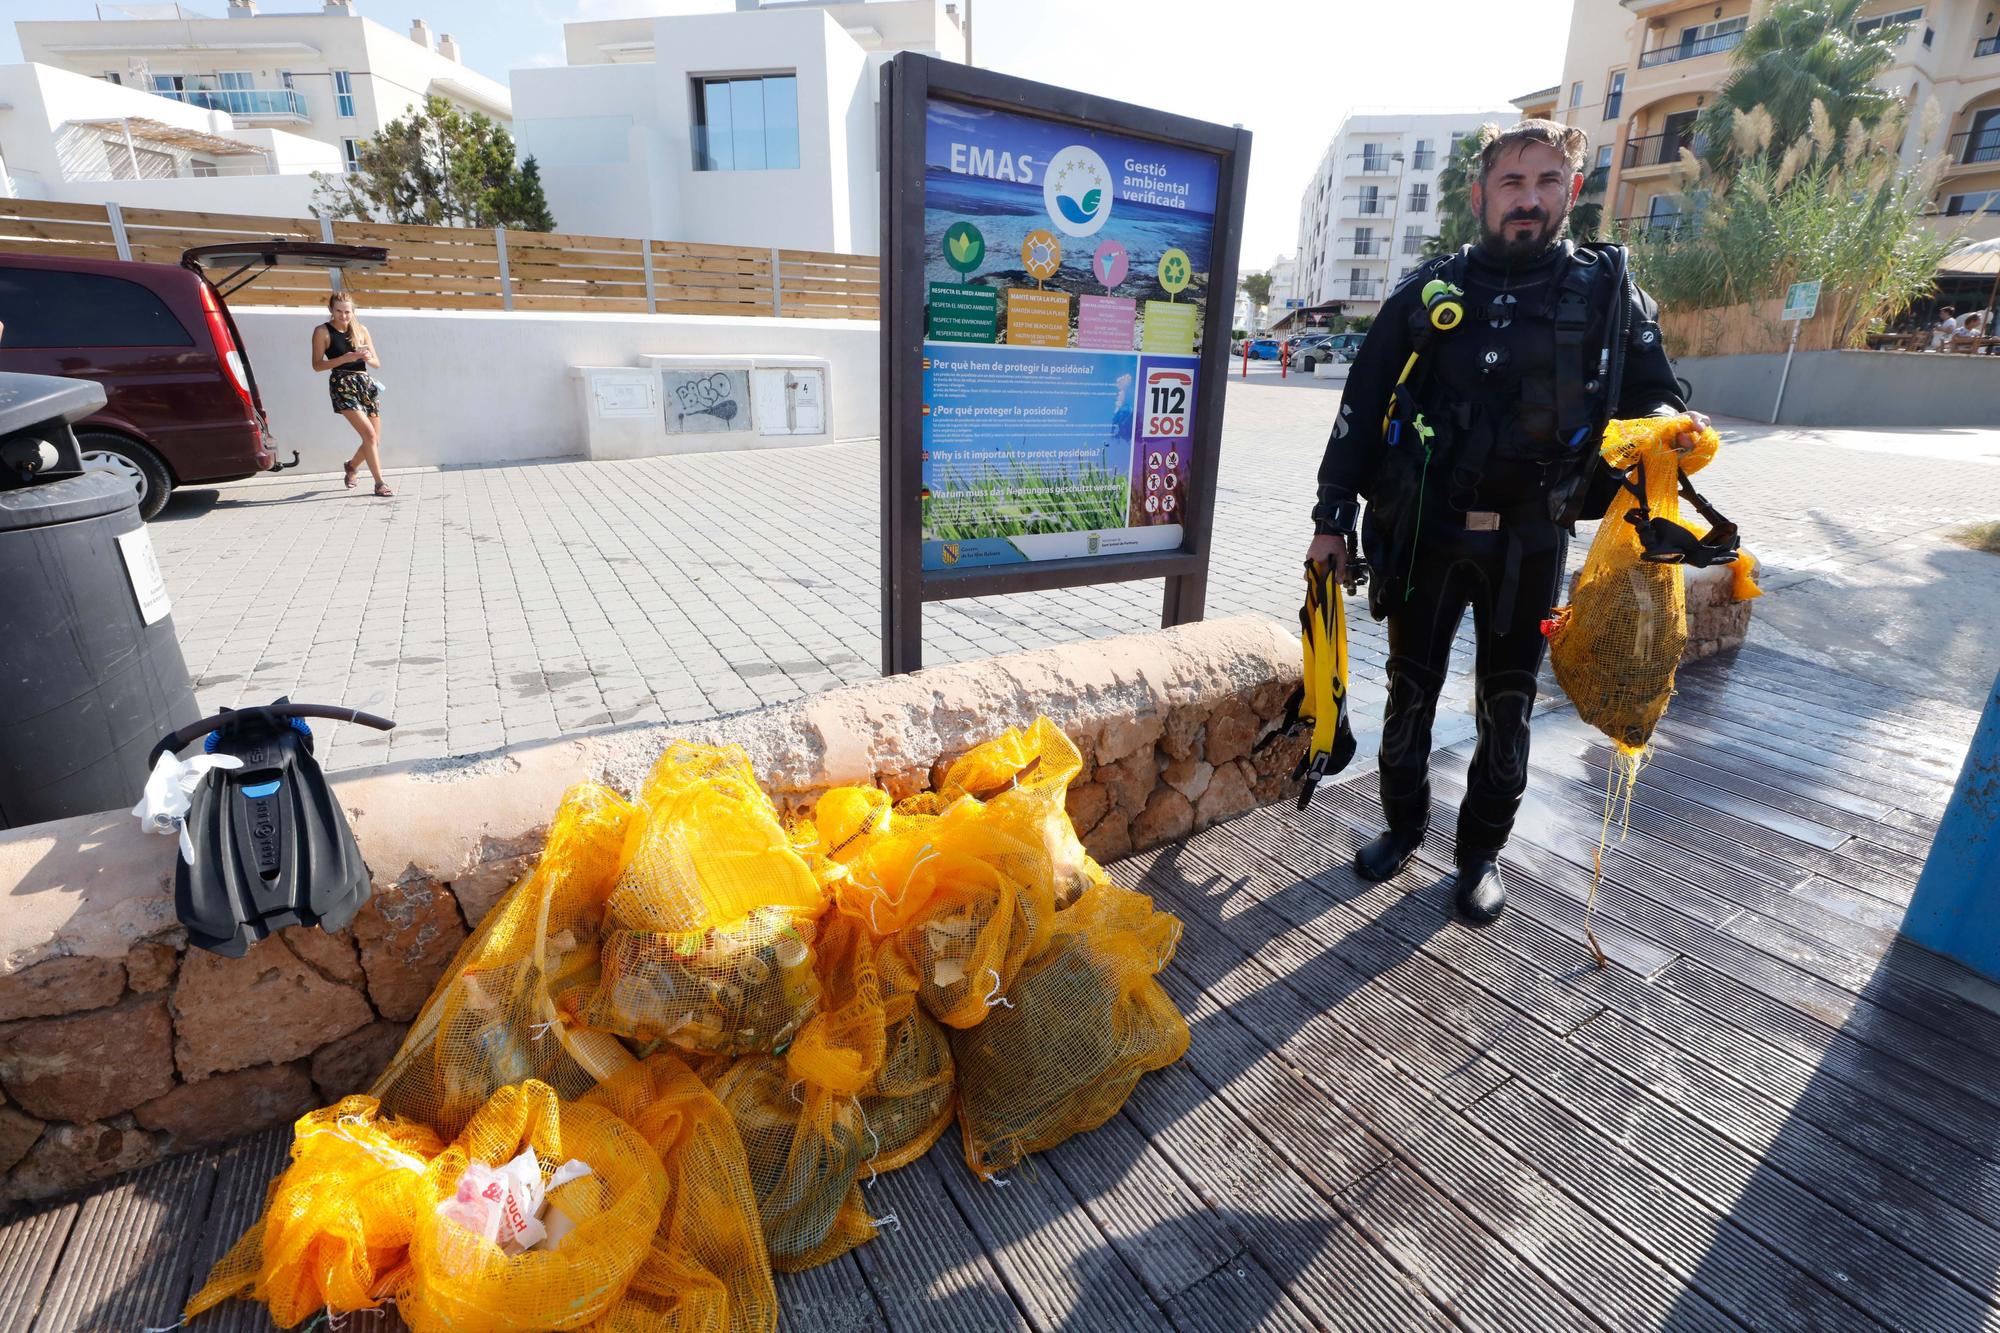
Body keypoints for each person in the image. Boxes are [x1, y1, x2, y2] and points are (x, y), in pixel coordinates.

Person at [1304, 119, 1701, 923]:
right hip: (1425, 534)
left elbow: (1659, 398)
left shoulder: (1604, 292)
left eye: (1547, 181)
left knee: (1508, 705)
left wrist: (1668, 440)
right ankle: (1404, 826)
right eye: (1512, 183)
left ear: (1572, 191)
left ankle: (1480, 851)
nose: (1529, 199)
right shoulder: (1428, 293)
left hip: (1532, 536)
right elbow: (1361, 404)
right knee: (1408, 696)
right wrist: (1330, 520)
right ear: (1481, 194)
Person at [311, 292, 390, 497]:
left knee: (374, 439)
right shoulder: (322, 331)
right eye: (339, 311)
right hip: (342, 383)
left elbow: (376, 363)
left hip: (365, 383)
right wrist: (345, 358)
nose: (344, 316)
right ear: (331, 310)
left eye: (347, 311)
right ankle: (379, 483)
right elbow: (317, 365)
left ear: (353, 311)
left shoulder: (361, 329)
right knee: (369, 435)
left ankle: (352, 466)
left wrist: (366, 356)